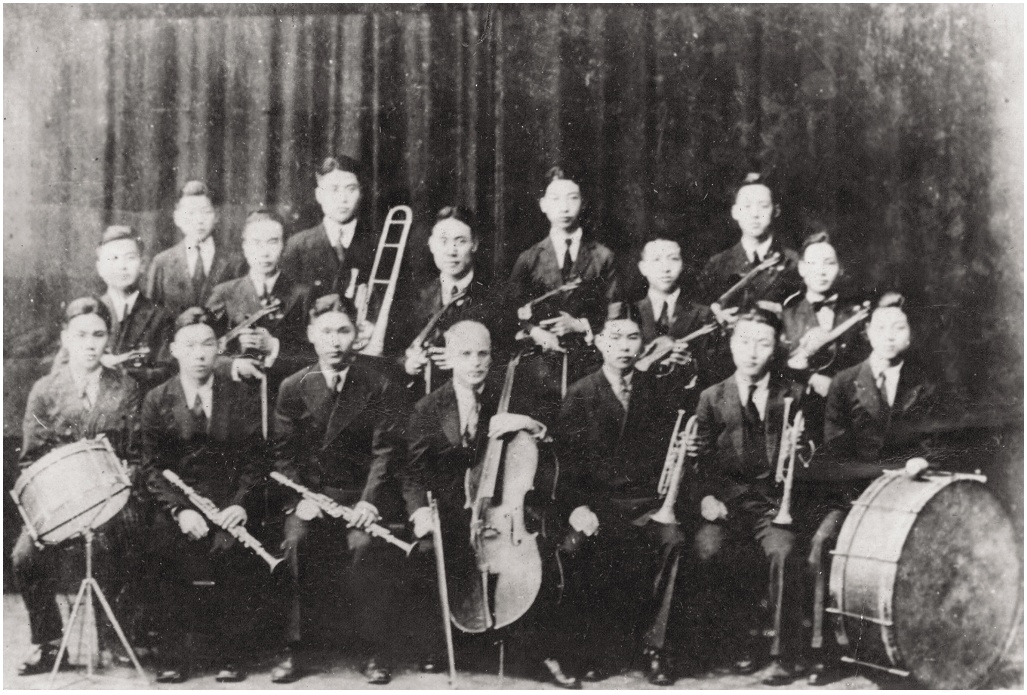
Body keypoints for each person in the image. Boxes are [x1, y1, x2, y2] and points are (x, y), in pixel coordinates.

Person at [401, 320, 579, 688]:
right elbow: (414, 473)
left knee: (546, 550)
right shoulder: (428, 407)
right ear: (449, 358)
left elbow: (558, 441)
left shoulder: (514, 396)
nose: (475, 362)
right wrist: (419, 511)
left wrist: (529, 424)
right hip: (452, 512)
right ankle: (438, 644)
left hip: (505, 509)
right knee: (426, 550)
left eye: (483, 354)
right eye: (465, 354)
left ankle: (542, 651)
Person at [799, 292, 937, 685]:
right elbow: (835, 452)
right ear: (867, 333)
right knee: (822, 543)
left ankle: (912, 650)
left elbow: (935, 444)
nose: (889, 335)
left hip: (909, 496)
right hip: (855, 496)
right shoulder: (844, 383)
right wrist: (879, 481)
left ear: (909, 335)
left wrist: (921, 465)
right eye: (881, 327)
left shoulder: (925, 383)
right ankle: (823, 652)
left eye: (899, 327)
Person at [271, 294, 410, 685]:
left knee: (365, 546)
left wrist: (369, 503)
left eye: (343, 331)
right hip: (311, 498)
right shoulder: (293, 387)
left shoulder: (379, 384)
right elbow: (283, 455)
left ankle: (372, 651)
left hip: (359, 499)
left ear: (357, 335)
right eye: (327, 332)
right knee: (296, 542)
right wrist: (300, 499)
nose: (335, 341)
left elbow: (385, 453)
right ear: (311, 334)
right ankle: (296, 650)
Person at [554, 303, 693, 686]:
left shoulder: (659, 391)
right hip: (601, 504)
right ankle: (599, 651)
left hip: (649, 503)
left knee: (673, 540)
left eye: (633, 337)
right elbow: (565, 464)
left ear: (642, 344)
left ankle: (655, 649)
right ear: (599, 342)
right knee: (583, 547)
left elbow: (671, 454)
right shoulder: (580, 393)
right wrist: (578, 506)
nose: (624, 346)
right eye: (615, 337)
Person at [13, 297, 142, 676]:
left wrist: (124, 479)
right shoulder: (45, 390)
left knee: (123, 542)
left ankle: (115, 638)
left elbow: (138, 453)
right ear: (65, 338)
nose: (90, 344)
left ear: (108, 339)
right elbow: (30, 460)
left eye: (98, 335)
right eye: (81, 335)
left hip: (113, 501)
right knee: (24, 556)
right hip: (63, 503)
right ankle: (50, 643)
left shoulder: (126, 388)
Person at [141, 308, 270, 684]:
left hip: (228, 506)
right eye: (190, 345)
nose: (199, 354)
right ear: (173, 350)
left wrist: (240, 504)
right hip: (178, 507)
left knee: (231, 550)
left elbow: (256, 462)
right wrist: (180, 511)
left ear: (219, 350)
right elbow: (150, 467)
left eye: (208, 344)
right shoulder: (157, 399)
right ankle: (173, 655)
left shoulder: (240, 396)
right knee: (163, 547)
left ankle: (231, 654)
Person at [684, 305, 808, 684]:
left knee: (783, 552)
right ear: (732, 344)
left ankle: (782, 655)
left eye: (763, 343)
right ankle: (734, 644)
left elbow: (811, 459)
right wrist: (706, 498)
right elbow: (699, 463)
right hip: (727, 505)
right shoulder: (711, 397)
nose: (752, 352)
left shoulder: (794, 394)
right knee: (708, 549)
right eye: (745, 342)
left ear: (776, 347)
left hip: (773, 506)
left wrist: (802, 450)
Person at [505, 166, 618, 419]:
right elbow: (511, 311)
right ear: (543, 205)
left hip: (589, 364)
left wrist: (580, 325)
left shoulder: (603, 257)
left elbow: (615, 312)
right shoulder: (529, 259)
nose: (564, 207)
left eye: (572, 198)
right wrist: (536, 332)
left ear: (583, 202)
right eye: (555, 199)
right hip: (540, 365)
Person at [391, 206, 506, 394]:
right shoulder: (417, 297)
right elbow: (395, 354)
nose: (451, 251)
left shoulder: (496, 297)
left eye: (460, 242)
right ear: (431, 244)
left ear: (474, 244)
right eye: (443, 241)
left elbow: (508, 360)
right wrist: (409, 365)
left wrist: (465, 361)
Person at [205, 208, 314, 399]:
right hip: (235, 399)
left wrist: (274, 347)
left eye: (273, 242)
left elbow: (317, 356)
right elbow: (201, 349)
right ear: (245, 247)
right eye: (256, 243)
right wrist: (233, 364)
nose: (264, 252)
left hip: (287, 399)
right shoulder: (223, 294)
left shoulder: (303, 295)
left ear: (284, 245)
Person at [781, 232, 868, 445]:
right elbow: (776, 369)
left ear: (840, 269)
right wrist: (811, 379)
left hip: (846, 418)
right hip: (798, 418)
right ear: (801, 268)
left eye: (829, 263)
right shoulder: (785, 316)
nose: (821, 271)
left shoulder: (856, 315)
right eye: (813, 263)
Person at [634, 236, 729, 404]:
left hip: (688, 404)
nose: (665, 268)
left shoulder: (704, 314)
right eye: (656, 260)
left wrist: (692, 366)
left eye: (673, 259)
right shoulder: (630, 312)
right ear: (643, 267)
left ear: (683, 264)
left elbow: (717, 372)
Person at [699, 173, 801, 324]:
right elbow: (699, 312)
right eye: (747, 206)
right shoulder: (717, 264)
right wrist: (717, 316)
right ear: (735, 212)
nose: (754, 214)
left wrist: (784, 315)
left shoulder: (794, 263)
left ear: (776, 211)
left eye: (763, 206)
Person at [280, 156, 377, 299]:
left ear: (361, 194)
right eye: (334, 189)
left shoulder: (378, 242)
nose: (343, 199)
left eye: (351, 189)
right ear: (319, 195)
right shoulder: (297, 245)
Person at [146, 181, 245, 318]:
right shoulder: (162, 263)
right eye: (190, 213)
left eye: (206, 212)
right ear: (177, 218)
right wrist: (177, 323)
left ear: (216, 216)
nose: (199, 220)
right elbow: (150, 317)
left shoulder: (235, 261)